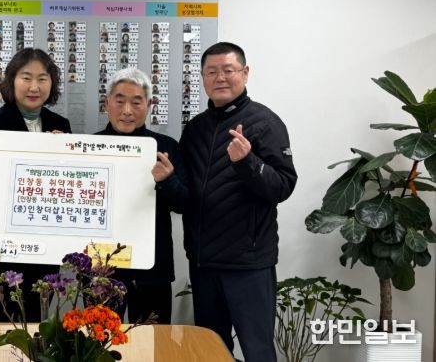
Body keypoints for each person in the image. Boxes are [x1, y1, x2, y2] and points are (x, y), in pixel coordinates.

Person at [179, 42, 297, 362]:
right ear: (203, 77)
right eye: (211, 72)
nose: (220, 78)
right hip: (204, 264)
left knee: (258, 351)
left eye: (228, 70)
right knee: (210, 351)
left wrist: (247, 162)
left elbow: (283, 186)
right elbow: (186, 194)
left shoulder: (265, 122)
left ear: (245, 73)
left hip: (248, 264)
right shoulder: (195, 129)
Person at [0, 48, 71, 322]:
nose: (34, 87)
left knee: (39, 321)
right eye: (26, 78)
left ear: (51, 83)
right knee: (3, 322)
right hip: (2, 243)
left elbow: (65, 186)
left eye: (42, 78)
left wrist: (61, 154)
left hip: (45, 243)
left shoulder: (60, 124)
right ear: (11, 81)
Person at [95, 68, 187, 324]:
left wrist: (167, 180)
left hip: (152, 269)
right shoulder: (90, 146)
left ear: (149, 105)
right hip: (102, 267)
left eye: (136, 102)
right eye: (119, 101)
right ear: (106, 103)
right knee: (98, 339)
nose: (127, 111)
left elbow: (183, 204)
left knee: (152, 341)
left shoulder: (166, 147)